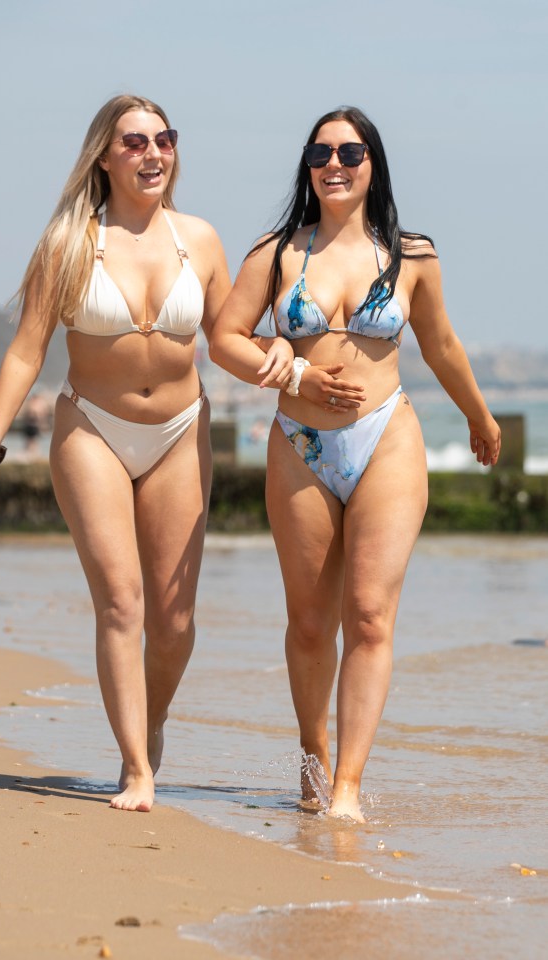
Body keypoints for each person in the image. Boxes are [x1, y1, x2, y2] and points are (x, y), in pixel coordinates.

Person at [0, 94, 294, 812]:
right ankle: (137, 770)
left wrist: (283, 358)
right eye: (134, 142)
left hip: (180, 434)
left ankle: (152, 719)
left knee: (172, 623)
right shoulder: (70, 241)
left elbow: (229, 341)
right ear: (104, 157)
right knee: (120, 602)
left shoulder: (197, 239)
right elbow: (26, 352)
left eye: (163, 140)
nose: (152, 154)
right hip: (92, 430)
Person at [209, 106, 500, 821]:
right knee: (310, 622)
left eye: (349, 151)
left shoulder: (412, 255)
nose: (332, 164)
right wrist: (290, 374)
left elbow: (441, 346)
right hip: (299, 445)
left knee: (368, 614)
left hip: (386, 438)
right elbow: (223, 339)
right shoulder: (276, 252)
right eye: (319, 153)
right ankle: (313, 764)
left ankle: (347, 788)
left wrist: (477, 414)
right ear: (306, 167)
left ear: (373, 163)